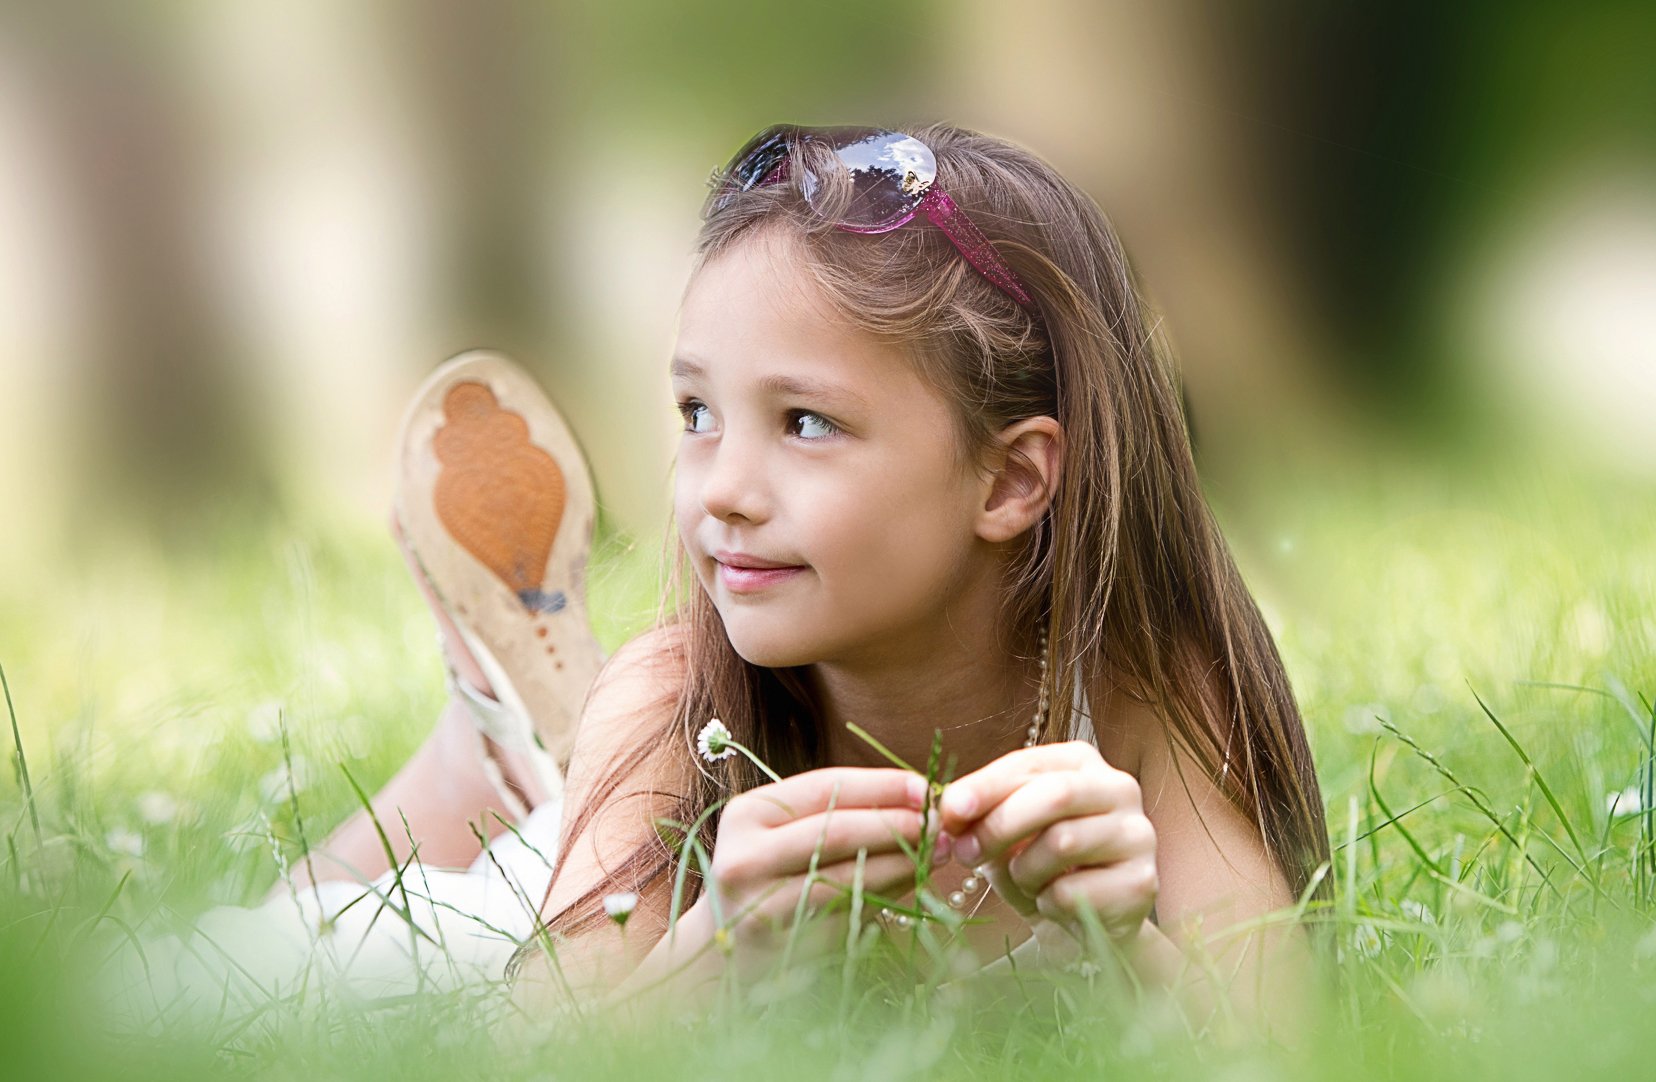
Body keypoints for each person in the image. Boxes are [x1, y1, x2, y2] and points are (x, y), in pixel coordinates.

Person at [124, 121, 1332, 1034]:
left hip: (627, 821)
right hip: (598, 893)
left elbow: (1292, 1044)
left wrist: (1133, 942)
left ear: (1010, 481)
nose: (718, 490)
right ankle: (486, 756)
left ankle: (513, 734)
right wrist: (718, 952)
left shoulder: (1134, 692)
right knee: (234, 979)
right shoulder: (677, 695)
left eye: (804, 423)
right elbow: (533, 1045)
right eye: (696, 409)